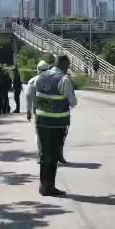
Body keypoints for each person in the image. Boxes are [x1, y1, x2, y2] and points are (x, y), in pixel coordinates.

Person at [26, 55, 77, 196]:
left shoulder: (41, 77)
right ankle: (49, 187)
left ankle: (44, 186)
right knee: (53, 156)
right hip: (57, 124)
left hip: (42, 121)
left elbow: (33, 95)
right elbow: (73, 103)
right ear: (65, 65)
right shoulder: (64, 79)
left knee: (44, 154)